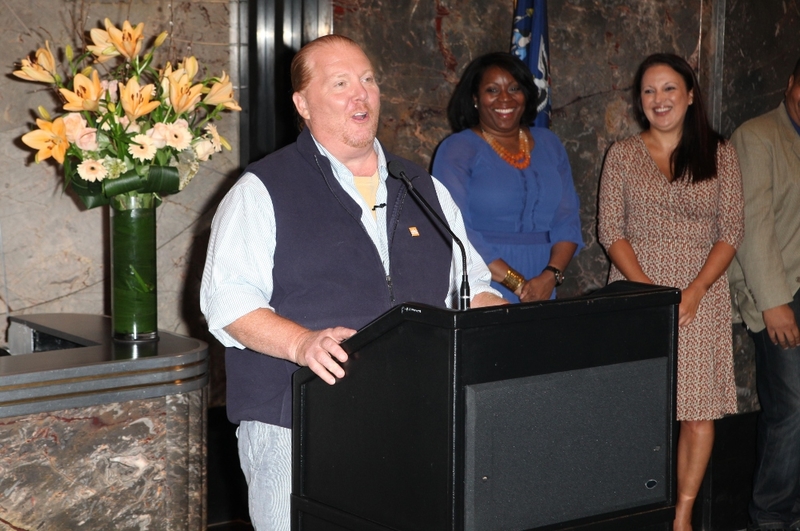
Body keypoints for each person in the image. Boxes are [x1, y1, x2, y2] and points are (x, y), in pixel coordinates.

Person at [199, 35, 505, 530]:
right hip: (295, 422)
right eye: (340, 83)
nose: (360, 94)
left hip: (413, 419)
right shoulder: (261, 190)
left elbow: (471, 285)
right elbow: (227, 302)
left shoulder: (423, 188)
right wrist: (302, 342)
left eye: (367, 80)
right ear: (302, 103)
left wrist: (504, 319)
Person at [597, 53, 744, 531]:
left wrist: (695, 290)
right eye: (648, 91)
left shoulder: (719, 153)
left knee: (697, 416)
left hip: (700, 298)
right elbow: (609, 230)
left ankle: (681, 518)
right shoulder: (621, 154)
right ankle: (631, 512)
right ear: (640, 101)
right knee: (636, 413)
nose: (659, 100)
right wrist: (648, 292)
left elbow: (731, 230)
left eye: (668, 89)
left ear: (690, 94)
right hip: (637, 296)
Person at [431, 52, 583, 302]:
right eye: (492, 90)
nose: (505, 98)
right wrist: (520, 285)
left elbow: (567, 220)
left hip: (544, 282)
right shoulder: (457, 149)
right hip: (483, 281)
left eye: (514, 88)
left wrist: (550, 277)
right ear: (475, 99)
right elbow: (455, 229)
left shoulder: (550, 143)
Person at [728, 58, 800, 531]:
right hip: (781, 294)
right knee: (791, 410)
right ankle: (772, 518)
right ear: (792, 84)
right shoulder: (756, 136)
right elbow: (752, 228)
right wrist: (774, 304)